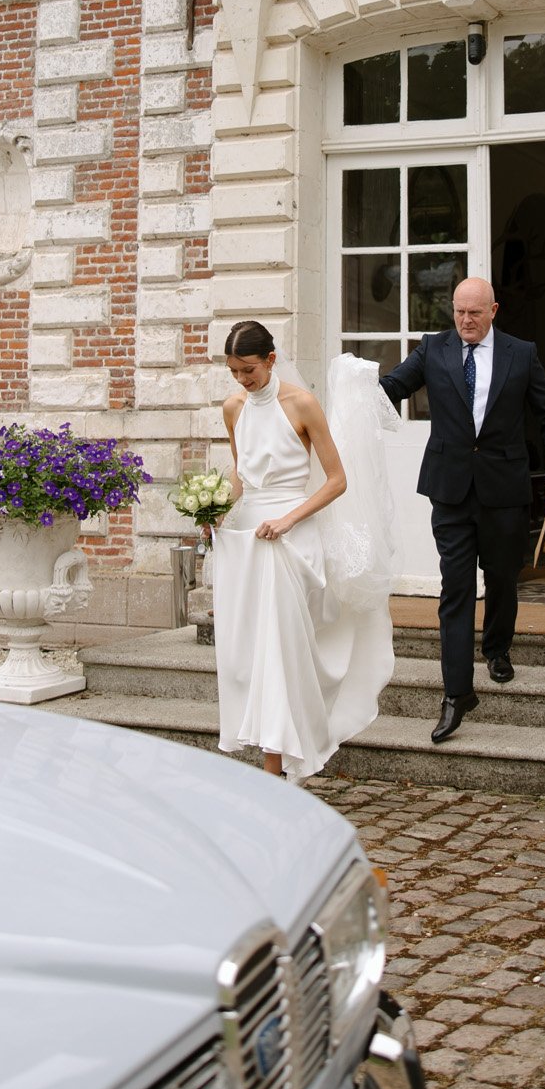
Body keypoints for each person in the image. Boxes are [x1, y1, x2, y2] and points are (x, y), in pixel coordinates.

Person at [380, 277, 545, 744]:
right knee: (457, 589)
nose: (466, 321)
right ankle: (456, 693)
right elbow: (393, 388)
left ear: (493, 311)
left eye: (475, 313)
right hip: (449, 491)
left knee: (503, 576)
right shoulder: (433, 349)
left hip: (504, 488)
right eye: (459, 312)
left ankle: (498, 647)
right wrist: (350, 391)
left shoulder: (520, 353)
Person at [213, 320, 394, 780]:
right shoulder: (233, 408)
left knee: (278, 647)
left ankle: (274, 767)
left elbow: (337, 480)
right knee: (249, 651)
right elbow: (242, 474)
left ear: (271, 360)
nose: (241, 380)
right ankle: (271, 758)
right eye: (233, 371)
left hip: (293, 536)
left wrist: (291, 519)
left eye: (248, 370)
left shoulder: (302, 404)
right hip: (249, 540)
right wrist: (215, 511)